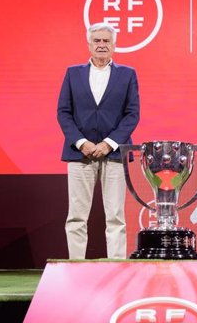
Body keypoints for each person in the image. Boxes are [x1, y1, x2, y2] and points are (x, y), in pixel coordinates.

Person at [57, 23, 140, 259]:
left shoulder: (127, 74)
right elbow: (64, 112)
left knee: (115, 216)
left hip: (114, 154)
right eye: (97, 41)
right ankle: (76, 267)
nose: (102, 45)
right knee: (76, 216)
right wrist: (81, 142)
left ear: (114, 45)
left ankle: (116, 267)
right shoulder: (73, 73)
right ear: (89, 45)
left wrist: (109, 143)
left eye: (106, 41)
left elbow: (132, 113)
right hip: (78, 154)